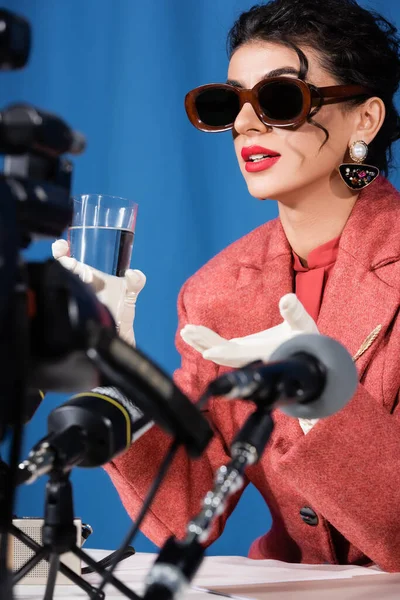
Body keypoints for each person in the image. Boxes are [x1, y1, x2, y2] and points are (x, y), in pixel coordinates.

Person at [54, 0, 400, 571]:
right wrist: (113, 367)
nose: (244, 123)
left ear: (364, 119)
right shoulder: (217, 290)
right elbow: (181, 509)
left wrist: (327, 398)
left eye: (280, 99)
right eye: (229, 103)